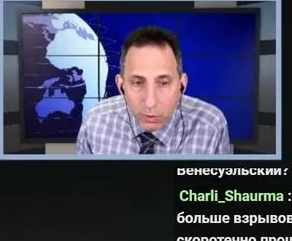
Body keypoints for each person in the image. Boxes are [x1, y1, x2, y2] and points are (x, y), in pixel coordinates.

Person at [76, 26, 231, 155]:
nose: (150, 103)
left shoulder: (211, 125)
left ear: (182, 86)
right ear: (121, 86)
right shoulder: (95, 122)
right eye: (137, 83)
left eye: (163, 83)